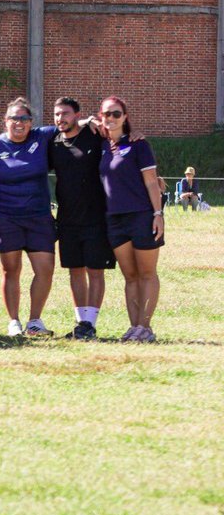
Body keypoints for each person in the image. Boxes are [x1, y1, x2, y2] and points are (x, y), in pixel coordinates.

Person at [0, 98, 57, 337]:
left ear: (31, 122)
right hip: (5, 216)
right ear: (5, 121)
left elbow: (70, 126)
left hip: (38, 215)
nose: (19, 123)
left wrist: (91, 121)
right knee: (11, 270)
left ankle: (35, 321)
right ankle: (14, 322)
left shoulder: (42, 136)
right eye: (14, 118)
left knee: (45, 269)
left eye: (24, 119)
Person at [99, 96, 164, 342]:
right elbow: (80, 124)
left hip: (142, 216)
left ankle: (146, 327)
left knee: (147, 273)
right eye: (107, 114)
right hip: (115, 219)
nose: (111, 118)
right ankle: (133, 326)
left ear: (125, 117)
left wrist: (158, 214)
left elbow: (151, 182)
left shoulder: (138, 145)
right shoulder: (102, 144)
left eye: (117, 114)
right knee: (130, 276)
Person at [49, 97, 114, 340]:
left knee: (95, 270)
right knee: (74, 270)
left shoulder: (94, 135)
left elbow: (118, 140)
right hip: (67, 218)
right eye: (56, 114)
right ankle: (81, 324)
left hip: (96, 216)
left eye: (65, 114)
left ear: (77, 114)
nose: (60, 119)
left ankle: (91, 323)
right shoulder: (53, 143)